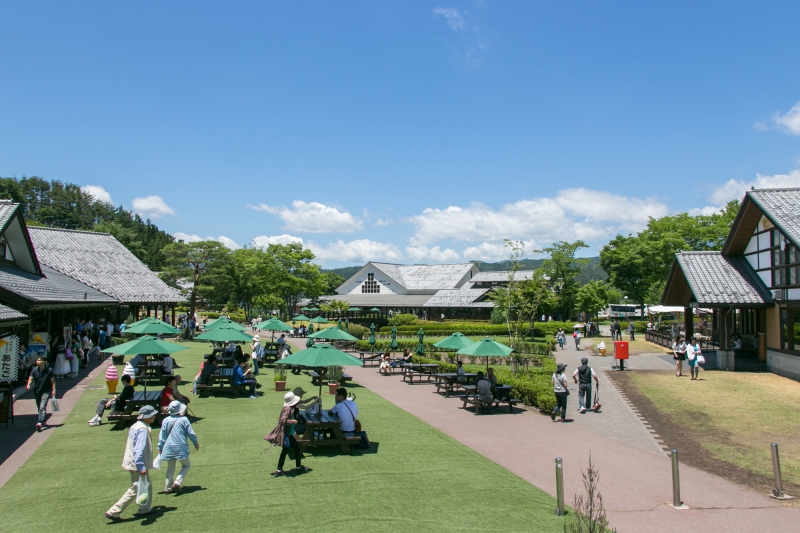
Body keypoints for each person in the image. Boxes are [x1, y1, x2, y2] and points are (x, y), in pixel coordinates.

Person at [105, 405, 157, 520]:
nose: (154, 416)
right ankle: (114, 511)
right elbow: (138, 450)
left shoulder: (135, 426)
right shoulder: (142, 430)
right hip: (136, 464)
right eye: (153, 415)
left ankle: (145, 508)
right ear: (146, 416)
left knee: (147, 485)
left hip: (131, 461)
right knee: (136, 488)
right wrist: (141, 467)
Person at [265, 392, 311, 477]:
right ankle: (280, 470)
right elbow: (283, 420)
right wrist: (292, 421)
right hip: (286, 434)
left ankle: (295, 468)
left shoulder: (291, 408)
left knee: (296, 448)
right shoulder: (287, 409)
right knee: (287, 450)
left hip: (289, 433)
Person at [158, 401, 199, 494]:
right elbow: (190, 433)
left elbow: (162, 435)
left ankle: (167, 488)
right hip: (181, 447)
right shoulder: (184, 419)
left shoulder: (165, 420)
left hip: (168, 447)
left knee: (170, 468)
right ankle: (177, 482)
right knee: (186, 465)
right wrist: (195, 442)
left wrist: (160, 446)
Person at [26, 356, 55, 432]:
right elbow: (31, 378)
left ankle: (40, 422)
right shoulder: (34, 370)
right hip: (37, 391)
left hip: (46, 390)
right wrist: (28, 384)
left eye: (39, 360)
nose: (37, 362)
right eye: (37, 360)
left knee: (42, 406)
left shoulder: (49, 370)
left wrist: (53, 390)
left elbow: (52, 381)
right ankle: (43, 420)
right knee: (39, 407)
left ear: (44, 361)